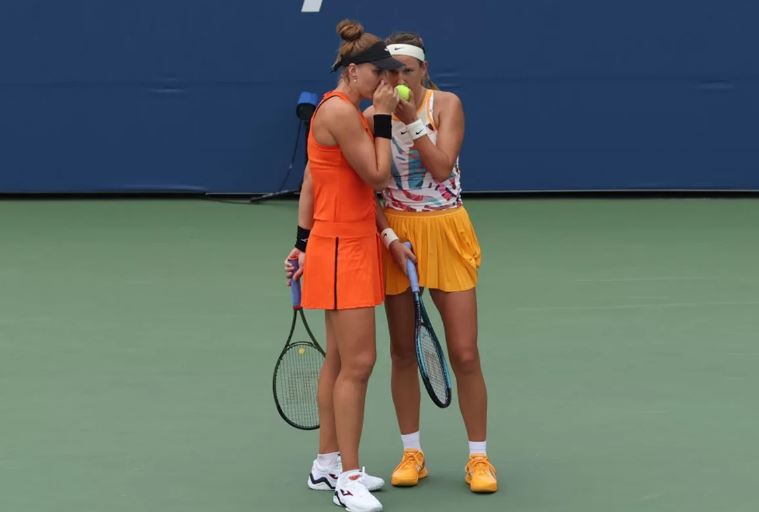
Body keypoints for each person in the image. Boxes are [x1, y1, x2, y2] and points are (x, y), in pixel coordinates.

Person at [364, 31, 498, 493]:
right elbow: (370, 188)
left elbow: (441, 168)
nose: (397, 77)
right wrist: (387, 236)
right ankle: (412, 453)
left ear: (422, 70)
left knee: (464, 352)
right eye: (389, 70)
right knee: (403, 352)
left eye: (406, 69)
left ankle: (478, 459)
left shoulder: (446, 105)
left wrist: (411, 123)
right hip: (398, 240)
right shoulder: (370, 116)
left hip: (447, 230)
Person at [283, 19, 402, 512]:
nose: (388, 83)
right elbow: (377, 172)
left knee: (337, 361)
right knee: (359, 364)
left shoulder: (342, 111)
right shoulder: (341, 114)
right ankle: (347, 479)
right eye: (380, 74)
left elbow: (315, 182)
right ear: (354, 72)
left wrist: (301, 244)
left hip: (343, 244)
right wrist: (382, 116)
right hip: (343, 251)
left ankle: (326, 462)